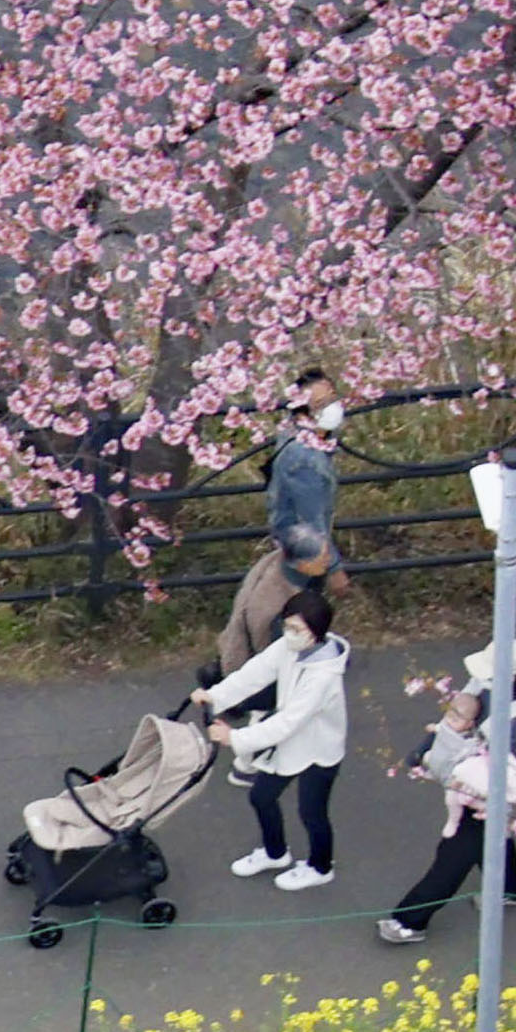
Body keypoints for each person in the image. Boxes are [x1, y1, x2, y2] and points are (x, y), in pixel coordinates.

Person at [194, 588, 352, 890]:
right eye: (287, 625)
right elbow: (255, 673)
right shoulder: (290, 648)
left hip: (319, 749)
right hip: (291, 743)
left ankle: (321, 867)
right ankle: (275, 852)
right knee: (261, 797)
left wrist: (234, 737)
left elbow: (288, 721)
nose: (288, 633)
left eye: (296, 629)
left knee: (312, 812)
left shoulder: (324, 677)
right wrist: (216, 695)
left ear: (315, 633)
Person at [376, 670, 516, 944]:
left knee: (452, 857)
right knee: (493, 841)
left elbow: (514, 779)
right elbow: (450, 722)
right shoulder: (483, 691)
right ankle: (512, 888)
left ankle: (410, 920)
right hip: (473, 793)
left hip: (486, 799)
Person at [204, 521, 352, 780]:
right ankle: (246, 766)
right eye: (323, 556)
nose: (329, 560)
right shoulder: (276, 610)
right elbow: (272, 662)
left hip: (243, 649)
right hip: (253, 659)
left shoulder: (278, 565)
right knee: (273, 712)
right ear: (303, 564)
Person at [268, 368, 345, 555]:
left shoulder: (299, 441)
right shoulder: (304, 456)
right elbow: (311, 525)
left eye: (332, 398)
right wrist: (333, 568)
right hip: (304, 556)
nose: (331, 407)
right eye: (320, 404)